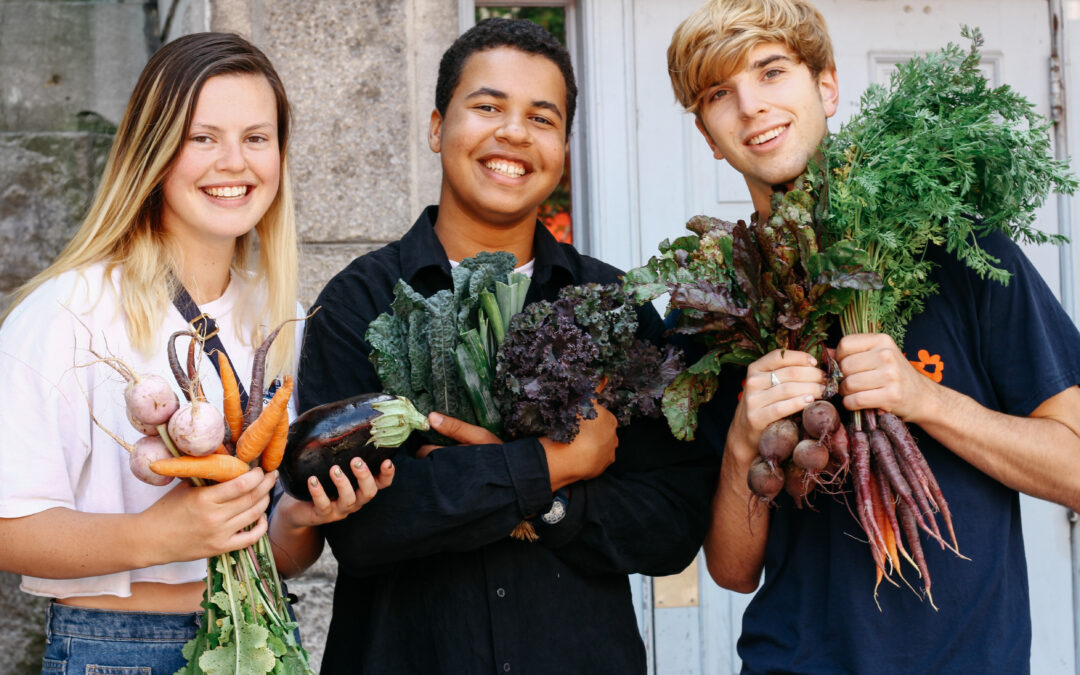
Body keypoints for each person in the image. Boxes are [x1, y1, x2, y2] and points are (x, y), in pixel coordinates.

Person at [666, 0, 1080, 672]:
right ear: (708, 133)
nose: (751, 107)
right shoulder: (717, 305)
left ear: (825, 85)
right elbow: (733, 571)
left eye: (772, 72)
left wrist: (925, 399)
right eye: (720, 94)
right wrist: (747, 437)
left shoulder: (959, 249)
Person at [298, 17, 718, 674]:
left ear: (564, 147)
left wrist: (546, 501)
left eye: (541, 118)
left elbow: (672, 522)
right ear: (438, 127)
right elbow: (362, 526)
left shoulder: (613, 304)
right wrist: (550, 464)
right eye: (488, 107)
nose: (514, 133)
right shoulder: (361, 300)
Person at [0, 32, 389, 673]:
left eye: (256, 138)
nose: (233, 162)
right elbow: (10, 528)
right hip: (116, 653)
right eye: (202, 137)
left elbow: (274, 553)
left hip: (262, 638)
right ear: (153, 152)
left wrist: (303, 520)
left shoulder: (277, 312)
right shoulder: (67, 311)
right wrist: (159, 535)